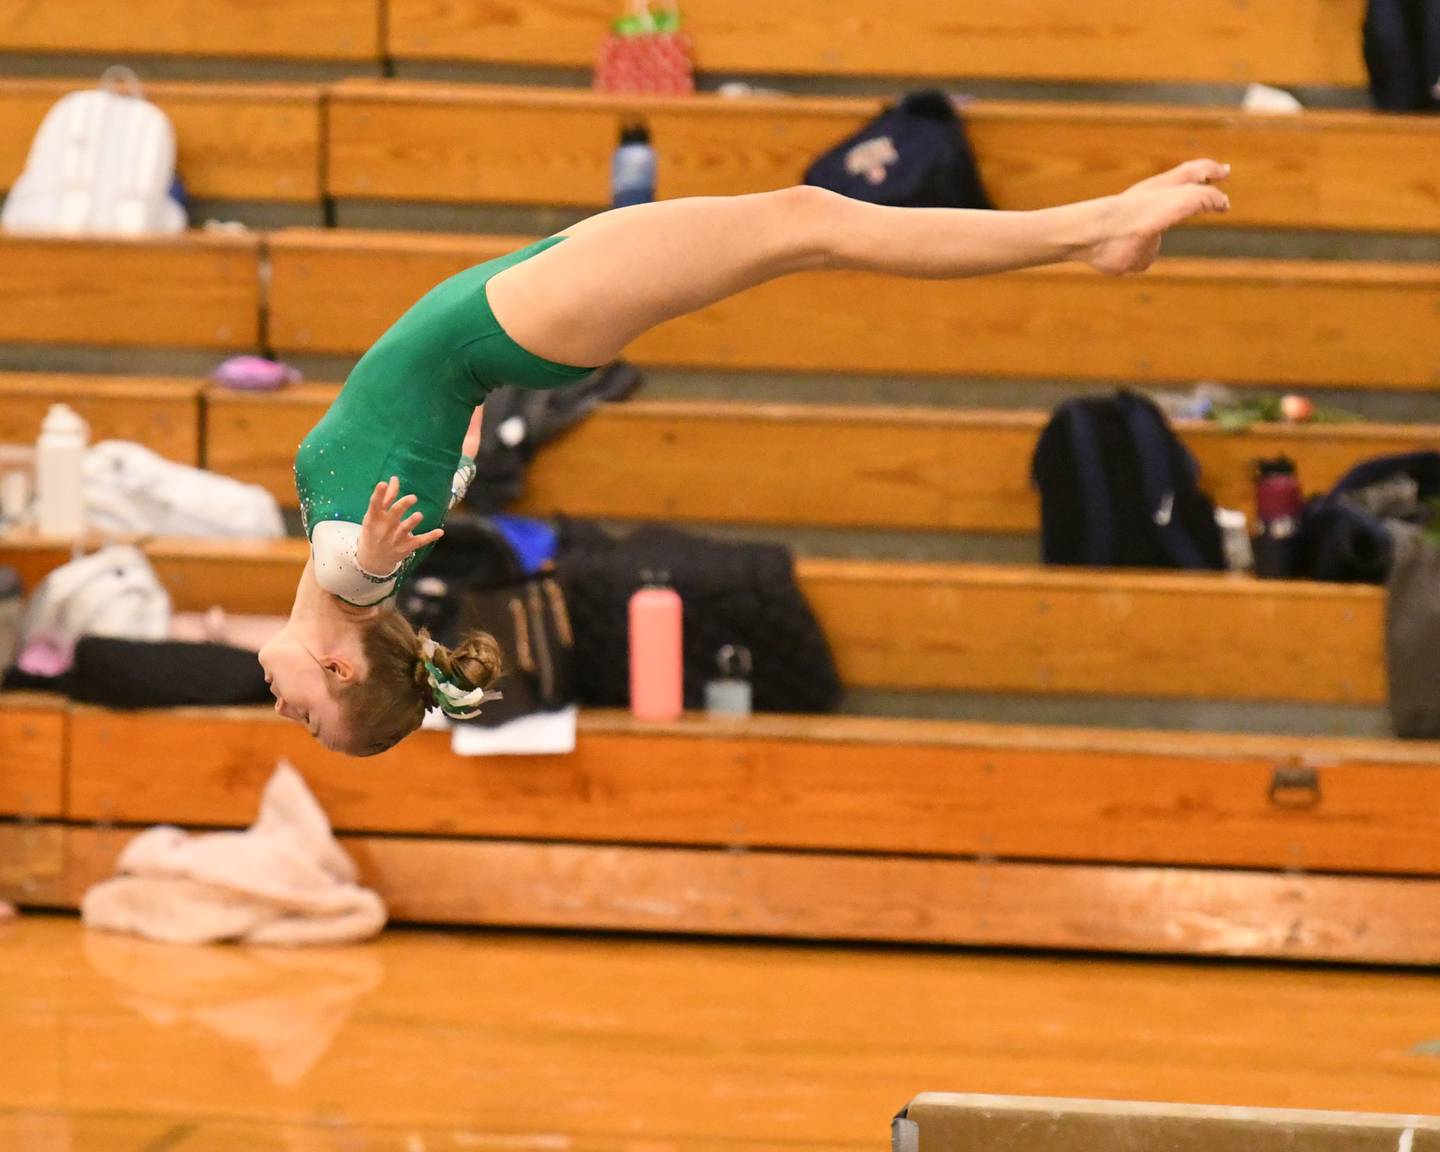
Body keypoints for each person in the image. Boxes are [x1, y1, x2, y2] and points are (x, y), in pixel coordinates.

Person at [257, 161, 1232, 755]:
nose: (281, 708)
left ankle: (1094, 230)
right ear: (340, 671)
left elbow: (434, 457)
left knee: (808, 226)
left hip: (508, 315)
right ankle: (1097, 230)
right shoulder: (351, 575)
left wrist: (444, 457)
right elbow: (367, 561)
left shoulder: (343, 565)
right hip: (515, 322)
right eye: (309, 717)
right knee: (809, 224)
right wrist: (384, 545)